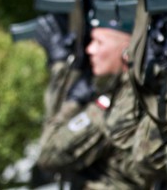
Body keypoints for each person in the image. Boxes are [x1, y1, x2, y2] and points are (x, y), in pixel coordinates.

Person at [36, 10, 143, 189]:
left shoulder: (121, 103)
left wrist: (64, 81)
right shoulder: (116, 93)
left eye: (99, 42)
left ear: (127, 49)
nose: (90, 49)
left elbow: (50, 154)